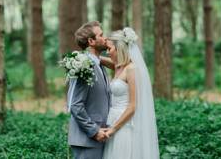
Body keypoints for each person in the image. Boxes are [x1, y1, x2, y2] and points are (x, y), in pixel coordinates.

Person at [101, 27, 159, 159]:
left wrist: (114, 129)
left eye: (109, 49)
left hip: (124, 125)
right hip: (113, 121)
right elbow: (110, 62)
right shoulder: (120, 66)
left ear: (120, 49)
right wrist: (92, 56)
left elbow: (132, 106)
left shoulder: (132, 69)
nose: (107, 53)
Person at [67, 21, 111, 159]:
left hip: (99, 137)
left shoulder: (98, 64)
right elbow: (75, 105)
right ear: (91, 41)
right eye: (101, 35)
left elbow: (122, 65)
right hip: (87, 140)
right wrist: (93, 131)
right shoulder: (84, 66)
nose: (105, 39)